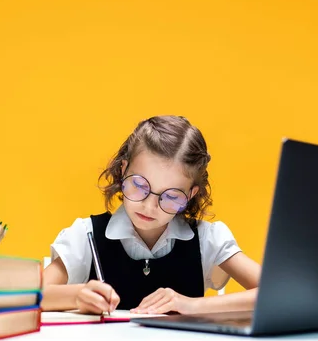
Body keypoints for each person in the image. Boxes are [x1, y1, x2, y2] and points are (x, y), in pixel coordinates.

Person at [40, 115, 261, 315]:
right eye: (139, 185)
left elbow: (276, 294)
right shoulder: (86, 235)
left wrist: (192, 305)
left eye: (171, 196)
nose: (149, 206)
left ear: (191, 194)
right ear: (123, 170)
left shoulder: (207, 239)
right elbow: (30, 296)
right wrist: (76, 296)